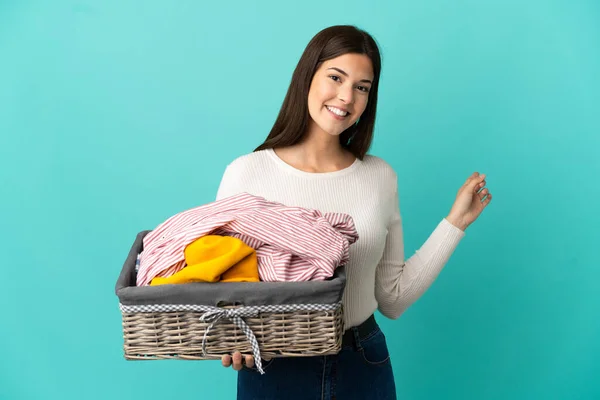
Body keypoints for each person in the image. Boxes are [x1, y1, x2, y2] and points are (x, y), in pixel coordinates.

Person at [215, 25, 492, 400]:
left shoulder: (379, 177)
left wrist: (455, 223)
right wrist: (232, 337)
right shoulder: (247, 173)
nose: (346, 97)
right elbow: (220, 282)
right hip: (274, 366)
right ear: (306, 77)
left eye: (362, 87)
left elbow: (392, 299)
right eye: (335, 77)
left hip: (362, 363)